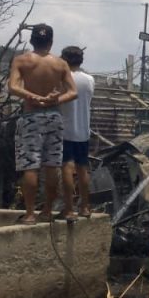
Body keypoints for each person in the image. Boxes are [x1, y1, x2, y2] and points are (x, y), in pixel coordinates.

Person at [7, 24, 77, 224]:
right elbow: (73, 92)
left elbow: (12, 86)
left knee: (30, 166)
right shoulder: (60, 64)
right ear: (51, 41)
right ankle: (47, 211)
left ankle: (30, 214)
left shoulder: (22, 60)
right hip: (54, 117)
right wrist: (55, 100)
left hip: (31, 117)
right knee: (51, 165)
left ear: (31, 40)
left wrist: (32, 96)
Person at [59, 46, 94, 219]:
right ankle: (85, 207)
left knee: (67, 167)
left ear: (65, 59)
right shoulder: (89, 80)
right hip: (83, 130)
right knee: (82, 168)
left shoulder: (63, 78)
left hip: (65, 129)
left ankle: (69, 209)